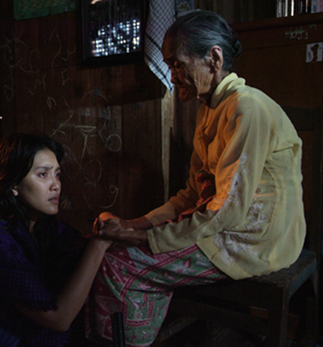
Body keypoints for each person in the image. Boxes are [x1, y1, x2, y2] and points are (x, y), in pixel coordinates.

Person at [88, 10, 305, 347]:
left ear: (214, 58)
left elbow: (227, 211)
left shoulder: (246, 108)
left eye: (177, 64)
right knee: (119, 246)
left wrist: (149, 241)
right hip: (228, 224)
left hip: (257, 238)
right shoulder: (211, 109)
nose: (173, 76)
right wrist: (135, 225)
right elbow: (193, 194)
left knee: (118, 263)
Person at [0, 133, 113, 347]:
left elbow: (81, 243)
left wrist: (106, 220)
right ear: (13, 184)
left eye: (57, 174)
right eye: (42, 175)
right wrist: (100, 243)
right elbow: (58, 319)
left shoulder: (41, 224)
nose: (55, 185)